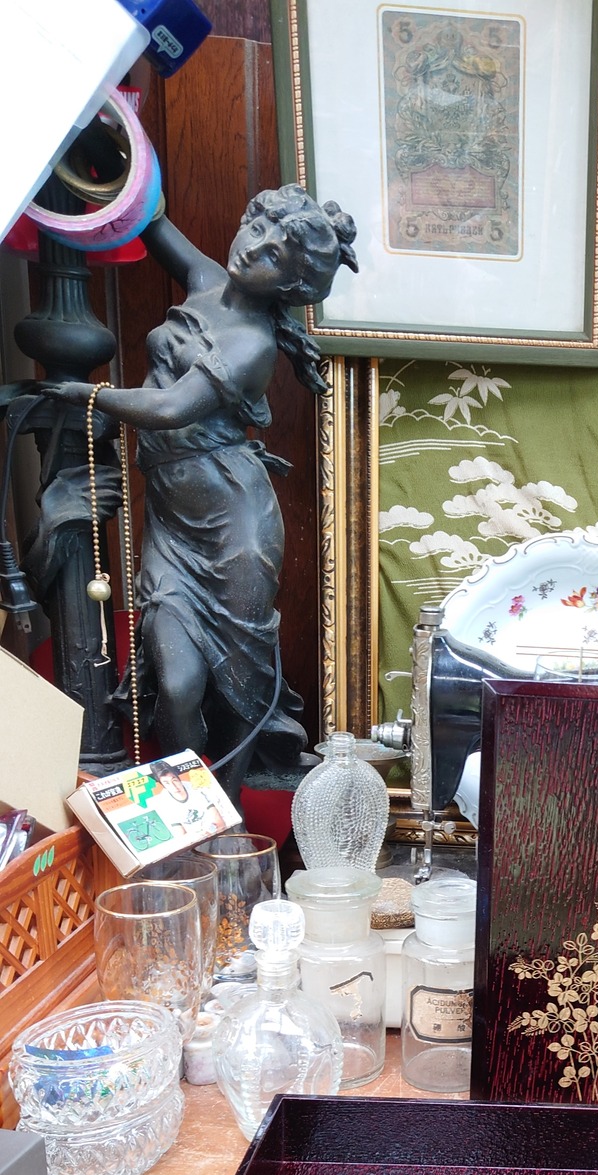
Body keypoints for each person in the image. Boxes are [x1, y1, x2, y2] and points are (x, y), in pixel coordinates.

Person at [43, 184, 357, 801]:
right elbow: (149, 219)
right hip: (173, 523)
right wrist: (114, 166)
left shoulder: (253, 343)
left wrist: (90, 395)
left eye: (276, 255)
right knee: (177, 682)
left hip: (234, 524)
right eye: (258, 228)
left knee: (239, 678)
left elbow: (169, 408)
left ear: (291, 284)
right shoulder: (206, 278)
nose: (255, 249)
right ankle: (187, 809)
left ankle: (224, 815)